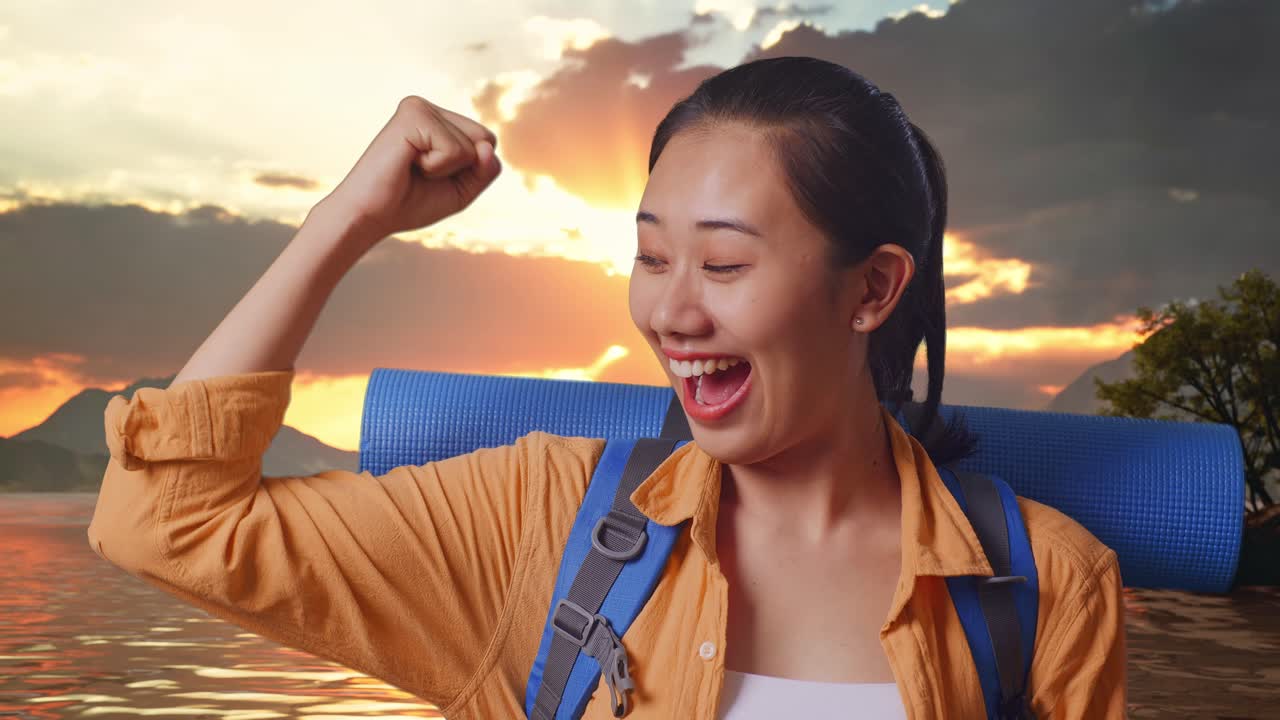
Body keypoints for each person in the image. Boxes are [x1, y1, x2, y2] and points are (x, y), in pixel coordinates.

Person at [87, 56, 1126, 718]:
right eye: (648, 258)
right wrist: (342, 222)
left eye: (722, 266)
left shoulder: (1040, 588)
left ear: (871, 289)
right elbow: (164, 525)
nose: (672, 314)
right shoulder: (545, 525)